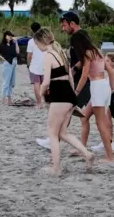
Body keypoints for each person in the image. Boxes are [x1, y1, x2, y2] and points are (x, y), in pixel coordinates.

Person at [34, 28, 95, 175]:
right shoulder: (61, 53)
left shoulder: (48, 55)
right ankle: (87, 154)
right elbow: (70, 78)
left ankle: (56, 168)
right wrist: (73, 97)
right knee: (63, 133)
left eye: (37, 44)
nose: (37, 47)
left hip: (59, 96)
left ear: (41, 42)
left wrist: (40, 97)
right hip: (69, 95)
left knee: (52, 133)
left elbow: (46, 81)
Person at [72, 31, 114, 161]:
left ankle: (110, 157)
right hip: (103, 85)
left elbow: (85, 75)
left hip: (96, 87)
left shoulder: (87, 53)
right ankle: (82, 148)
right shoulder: (96, 50)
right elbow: (110, 71)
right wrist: (111, 89)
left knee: (100, 123)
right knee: (84, 117)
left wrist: (76, 93)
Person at [60, 12, 91, 113]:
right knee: (86, 115)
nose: (63, 29)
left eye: (65, 26)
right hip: (87, 80)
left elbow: (82, 60)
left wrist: (72, 72)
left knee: (66, 111)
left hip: (81, 81)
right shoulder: (85, 34)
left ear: (72, 23)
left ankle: (59, 129)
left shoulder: (76, 37)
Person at [0, 31, 20, 105]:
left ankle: (9, 99)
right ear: (5, 36)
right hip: (7, 64)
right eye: (9, 36)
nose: (10, 37)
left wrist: (16, 42)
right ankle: (3, 99)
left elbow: (17, 52)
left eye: (11, 36)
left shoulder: (13, 43)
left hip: (14, 63)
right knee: (6, 82)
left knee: (12, 82)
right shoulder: (2, 45)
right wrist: (2, 57)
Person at [27, 22, 46, 108]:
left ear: (32, 30)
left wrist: (28, 64)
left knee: (36, 84)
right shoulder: (46, 40)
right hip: (45, 65)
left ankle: (39, 103)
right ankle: (46, 101)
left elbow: (29, 56)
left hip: (34, 66)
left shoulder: (31, 41)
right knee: (45, 84)